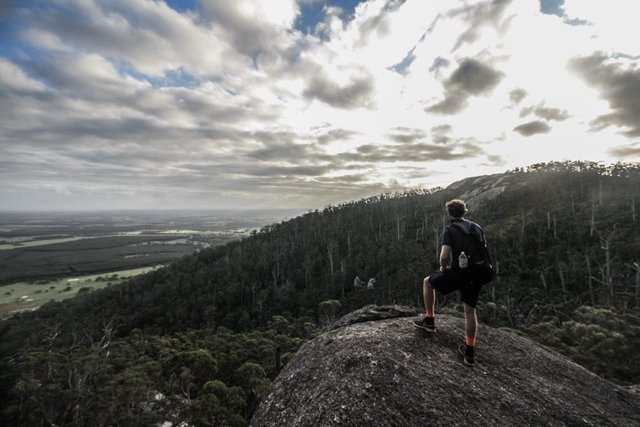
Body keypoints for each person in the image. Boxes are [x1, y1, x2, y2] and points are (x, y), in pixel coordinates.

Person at [413, 199, 489, 367]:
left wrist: (442, 268)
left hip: (459, 274)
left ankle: (430, 321)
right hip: (477, 273)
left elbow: (444, 256)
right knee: (470, 311)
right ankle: (469, 353)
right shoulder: (477, 227)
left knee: (428, 282)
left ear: (449, 213)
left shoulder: (450, 229)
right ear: (465, 211)